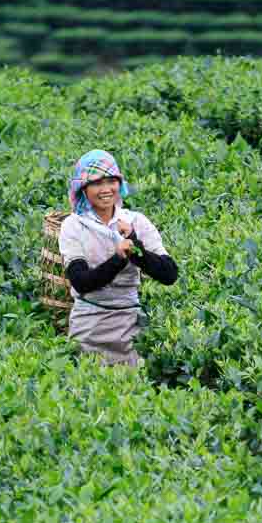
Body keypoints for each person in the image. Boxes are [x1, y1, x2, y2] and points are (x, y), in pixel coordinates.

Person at [58, 150, 177, 366]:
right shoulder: (74, 226)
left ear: (119, 184)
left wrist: (135, 248)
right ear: (83, 189)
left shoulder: (136, 222)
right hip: (88, 325)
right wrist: (119, 259)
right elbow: (81, 282)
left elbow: (169, 273)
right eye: (96, 183)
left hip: (130, 325)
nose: (105, 189)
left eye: (111, 181)